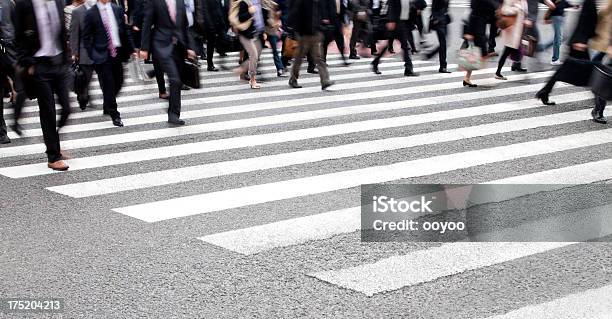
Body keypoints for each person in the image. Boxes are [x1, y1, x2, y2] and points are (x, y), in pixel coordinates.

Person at [14, 0, 72, 170]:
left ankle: (54, 141)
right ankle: (53, 156)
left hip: (59, 62)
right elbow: (18, 37)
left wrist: (66, 59)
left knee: (67, 108)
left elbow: (62, 31)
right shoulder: (25, 5)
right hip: (39, 65)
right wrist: (28, 63)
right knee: (48, 110)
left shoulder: (58, 2)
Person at [140, 0, 197, 125]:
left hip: (179, 47)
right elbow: (147, 23)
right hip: (161, 45)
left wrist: (190, 47)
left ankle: (174, 112)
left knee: (177, 81)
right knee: (175, 79)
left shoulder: (180, 2)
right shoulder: (155, 2)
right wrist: (144, 47)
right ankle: (173, 114)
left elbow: (184, 27)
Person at [83, 0, 136, 127]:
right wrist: (92, 54)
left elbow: (124, 30)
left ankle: (108, 101)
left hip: (117, 53)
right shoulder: (91, 13)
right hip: (102, 55)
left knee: (119, 81)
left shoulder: (117, 9)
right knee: (109, 84)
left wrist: (132, 49)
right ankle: (114, 114)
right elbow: (86, 37)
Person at [535, 0, 598, 106]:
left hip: (579, 41)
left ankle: (544, 91)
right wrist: (580, 41)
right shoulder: (589, 2)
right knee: (590, 71)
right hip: (579, 43)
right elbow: (584, 20)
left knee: (568, 69)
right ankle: (599, 102)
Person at [287, 0, 334, 89]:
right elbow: (295, 14)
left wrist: (321, 25)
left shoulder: (318, 2)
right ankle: (293, 79)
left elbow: (320, 13)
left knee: (319, 57)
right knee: (299, 58)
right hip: (304, 34)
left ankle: (325, 80)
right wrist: (296, 31)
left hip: (315, 33)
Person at [371, 0, 420, 77]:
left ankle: (376, 62)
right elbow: (391, 6)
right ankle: (408, 69)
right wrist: (391, 20)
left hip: (403, 22)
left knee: (398, 46)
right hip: (397, 23)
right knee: (405, 46)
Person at [229, 0, 264, 89]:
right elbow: (241, 17)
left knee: (255, 54)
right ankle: (252, 79)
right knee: (254, 56)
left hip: (252, 33)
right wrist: (250, 12)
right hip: (245, 35)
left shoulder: (249, 2)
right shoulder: (244, 3)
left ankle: (243, 71)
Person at [462, 0, 497, 87]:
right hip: (476, 29)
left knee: (474, 54)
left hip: (477, 28)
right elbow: (492, 5)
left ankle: (467, 78)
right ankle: (468, 77)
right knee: (479, 54)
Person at [69, 0, 96, 110]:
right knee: (85, 78)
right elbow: (74, 33)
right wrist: (74, 52)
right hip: (85, 51)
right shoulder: (77, 12)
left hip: (101, 51)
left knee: (106, 80)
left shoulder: (102, 8)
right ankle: (83, 97)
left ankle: (108, 105)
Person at [494, 0, 527, 80]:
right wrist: (516, 9)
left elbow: (524, 12)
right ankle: (498, 72)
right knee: (506, 52)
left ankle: (515, 65)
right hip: (511, 30)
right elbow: (504, 10)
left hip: (518, 30)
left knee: (511, 50)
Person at [539, 0, 578, 65]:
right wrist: (547, 18)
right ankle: (554, 59)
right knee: (558, 38)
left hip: (561, 17)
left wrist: (573, 6)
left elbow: (564, 3)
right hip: (556, 17)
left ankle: (545, 48)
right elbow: (551, 4)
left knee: (561, 37)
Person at [196, 0, 228, 71]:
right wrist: (210, 26)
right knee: (211, 44)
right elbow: (205, 11)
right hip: (211, 24)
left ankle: (221, 57)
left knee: (224, 40)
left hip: (218, 22)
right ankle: (210, 65)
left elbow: (219, 9)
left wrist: (223, 22)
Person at [424, 0, 451, 73]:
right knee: (443, 43)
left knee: (444, 44)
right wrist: (436, 19)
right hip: (439, 22)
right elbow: (433, 7)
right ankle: (443, 67)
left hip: (444, 21)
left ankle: (430, 55)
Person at [322, 0, 349, 65]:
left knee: (340, 41)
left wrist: (345, 21)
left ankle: (344, 59)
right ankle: (323, 60)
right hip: (330, 22)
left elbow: (343, 9)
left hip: (338, 21)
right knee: (326, 42)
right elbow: (323, 7)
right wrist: (325, 18)